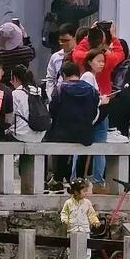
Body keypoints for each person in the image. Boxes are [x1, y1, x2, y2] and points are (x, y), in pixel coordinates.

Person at [46, 58, 100, 187]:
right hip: (84, 134)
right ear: (79, 73)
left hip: (62, 134)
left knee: (59, 154)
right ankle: (79, 180)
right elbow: (94, 112)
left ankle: (58, 179)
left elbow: (52, 110)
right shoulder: (91, 90)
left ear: (63, 75)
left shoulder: (60, 89)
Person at [59, 176, 100, 259]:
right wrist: (64, 220)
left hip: (84, 229)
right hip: (72, 229)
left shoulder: (87, 203)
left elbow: (91, 214)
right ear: (76, 192)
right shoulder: (68, 203)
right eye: (84, 191)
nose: (86, 193)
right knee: (71, 249)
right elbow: (64, 213)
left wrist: (95, 222)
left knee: (86, 249)